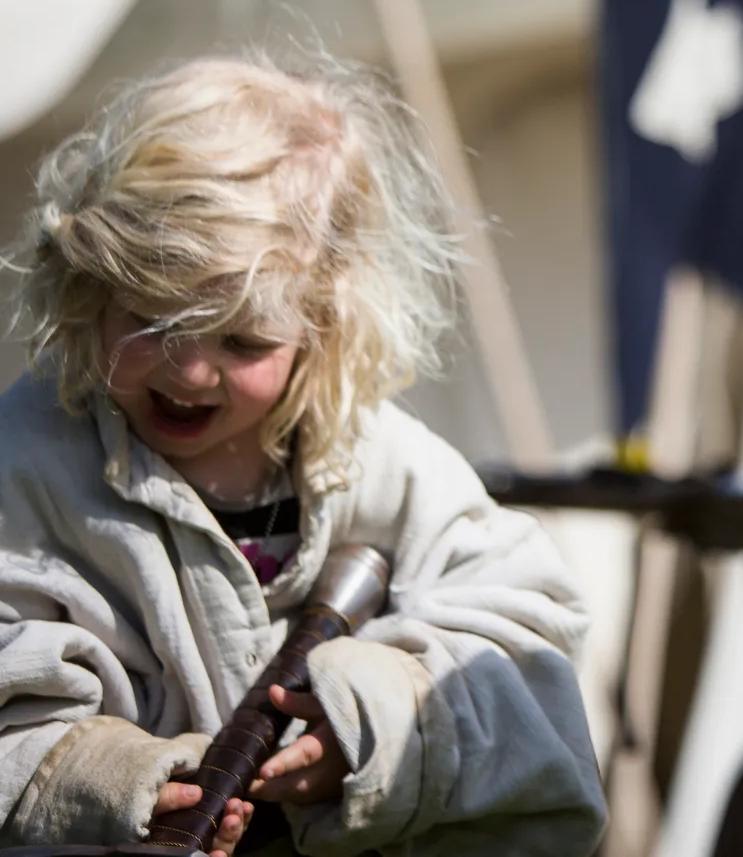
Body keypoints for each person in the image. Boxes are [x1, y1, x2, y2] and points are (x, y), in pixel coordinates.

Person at [0, 52, 607, 855]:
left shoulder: (386, 465)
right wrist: (100, 774)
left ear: (323, 321)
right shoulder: (25, 464)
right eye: (149, 320)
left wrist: (372, 724)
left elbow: (525, 638)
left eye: (243, 338)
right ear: (89, 284)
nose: (188, 370)